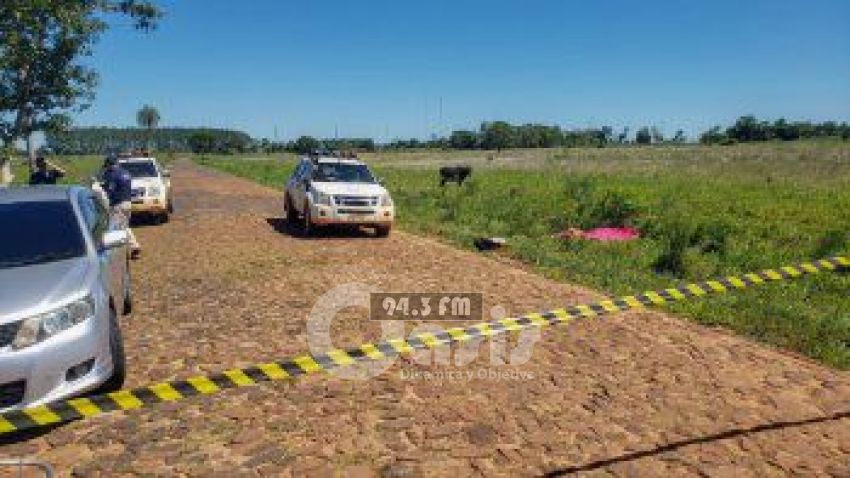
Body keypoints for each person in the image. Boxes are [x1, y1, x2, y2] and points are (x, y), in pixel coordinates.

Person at [101, 155, 142, 259]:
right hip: (128, 203)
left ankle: (132, 247)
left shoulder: (112, 175)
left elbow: (110, 190)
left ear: (110, 165)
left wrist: (102, 187)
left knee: (115, 228)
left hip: (118, 204)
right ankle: (133, 247)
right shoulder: (125, 173)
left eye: (107, 166)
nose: (106, 168)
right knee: (124, 226)